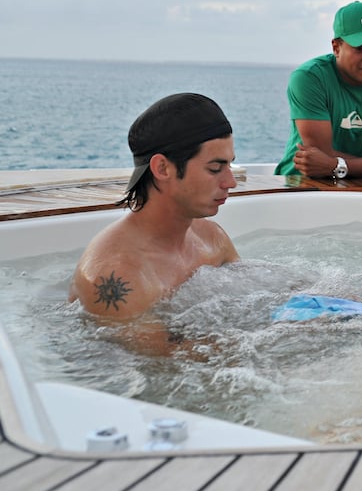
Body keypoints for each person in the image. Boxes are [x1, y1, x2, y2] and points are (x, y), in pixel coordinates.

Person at [70, 93, 240, 329]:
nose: (231, 182)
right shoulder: (117, 276)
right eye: (215, 168)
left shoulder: (212, 238)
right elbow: (163, 362)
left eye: (230, 165)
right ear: (162, 168)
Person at [274, 0, 362, 179]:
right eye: (360, 48)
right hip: (300, 183)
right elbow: (318, 158)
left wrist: (338, 165)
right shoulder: (309, 77)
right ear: (336, 48)